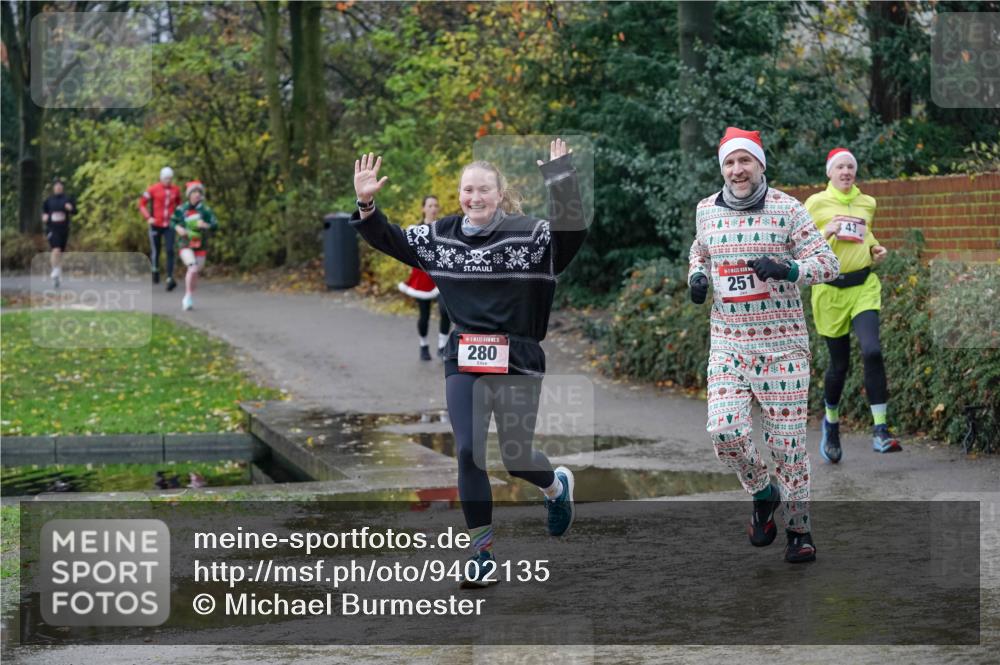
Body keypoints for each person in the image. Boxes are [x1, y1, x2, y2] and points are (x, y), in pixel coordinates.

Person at [350, 139, 587, 587]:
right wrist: (366, 204)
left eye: (483, 190)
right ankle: (482, 553)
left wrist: (562, 181)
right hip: (464, 356)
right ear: (458, 195)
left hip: (518, 355)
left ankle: (555, 486)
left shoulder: (530, 236)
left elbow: (570, 236)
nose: (474, 198)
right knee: (467, 451)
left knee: (516, 457)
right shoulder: (441, 237)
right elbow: (389, 238)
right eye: (467, 190)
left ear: (500, 194)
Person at [688, 127, 840, 564]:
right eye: (730, 163)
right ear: (722, 169)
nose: (737, 170)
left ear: (760, 164)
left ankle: (799, 529)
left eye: (745, 161)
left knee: (788, 446)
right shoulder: (706, 210)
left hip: (783, 348)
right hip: (729, 344)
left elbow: (828, 264)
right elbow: (700, 251)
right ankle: (761, 491)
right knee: (724, 431)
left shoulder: (788, 209)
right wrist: (697, 276)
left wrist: (788, 269)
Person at [805, 148, 901, 460]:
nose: (846, 171)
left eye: (850, 166)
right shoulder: (816, 203)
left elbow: (865, 234)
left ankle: (881, 430)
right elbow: (802, 246)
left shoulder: (867, 202)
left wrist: (875, 249)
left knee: (872, 350)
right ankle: (831, 423)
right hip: (830, 291)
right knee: (839, 366)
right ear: (829, 173)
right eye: (840, 167)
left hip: (863, 286)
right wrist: (826, 231)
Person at [397, 195, 452, 361]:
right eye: (430, 205)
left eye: (436, 205)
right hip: (423, 277)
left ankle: (442, 346)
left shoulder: (444, 229)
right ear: (423, 209)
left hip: (441, 277)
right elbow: (407, 252)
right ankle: (423, 345)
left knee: (445, 311)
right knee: (424, 315)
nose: (433, 208)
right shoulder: (415, 230)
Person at [170, 181, 218, 311]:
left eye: (199, 192)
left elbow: (215, 225)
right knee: (192, 267)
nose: (197, 195)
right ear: (189, 194)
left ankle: (190, 294)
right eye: (194, 192)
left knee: (196, 272)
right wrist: (178, 228)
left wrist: (206, 225)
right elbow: (172, 221)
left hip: (200, 245)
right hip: (185, 243)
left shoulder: (205, 210)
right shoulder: (181, 209)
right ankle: (187, 297)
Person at [139, 166, 182, 290]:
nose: (168, 181)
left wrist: (178, 219)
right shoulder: (153, 189)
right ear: (161, 178)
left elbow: (179, 205)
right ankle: (155, 270)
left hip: (169, 224)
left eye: (170, 178)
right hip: (156, 224)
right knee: (156, 250)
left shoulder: (176, 190)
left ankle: (169, 277)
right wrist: (148, 217)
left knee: (170, 250)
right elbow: (142, 204)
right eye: (166, 178)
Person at [41, 177, 76, 288]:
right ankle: (55, 270)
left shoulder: (67, 199)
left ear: (62, 188)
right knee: (56, 249)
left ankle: (56, 272)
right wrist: (44, 217)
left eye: (60, 186)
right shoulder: (48, 200)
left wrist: (70, 208)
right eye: (56, 186)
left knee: (60, 252)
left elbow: (75, 211)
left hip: (64, 229)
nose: (58, 187)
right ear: (54, 188)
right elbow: (44, 212)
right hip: (52, 228)